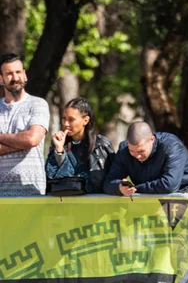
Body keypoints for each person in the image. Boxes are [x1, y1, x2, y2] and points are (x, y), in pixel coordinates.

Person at [103, 121, 188, 196]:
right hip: (151, 196)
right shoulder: (124, 149)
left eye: (141, 151)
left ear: (152, 139)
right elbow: (109, 182)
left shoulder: (171, 146)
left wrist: (136, 188)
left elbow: (169, 185)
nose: (137, 156)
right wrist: (119, 188)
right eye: (132, 151)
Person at [0, 52, 50, 196]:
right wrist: (21, 143)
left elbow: (32, 139)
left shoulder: (38, 104)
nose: (15, 78)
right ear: (1, 79)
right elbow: (27, 141)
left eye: (18, 72)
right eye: (9, 74)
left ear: (25, 75)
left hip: (32, 192)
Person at [46, 97, 114, 193]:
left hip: (96, 203)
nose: (66, 123)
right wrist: (59, 151)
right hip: (65, 203)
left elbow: (112, 178)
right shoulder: (58, 143)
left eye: (71, 119)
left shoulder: (100, 145)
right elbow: (54, 177)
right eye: (64, 118)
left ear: (85, 120)